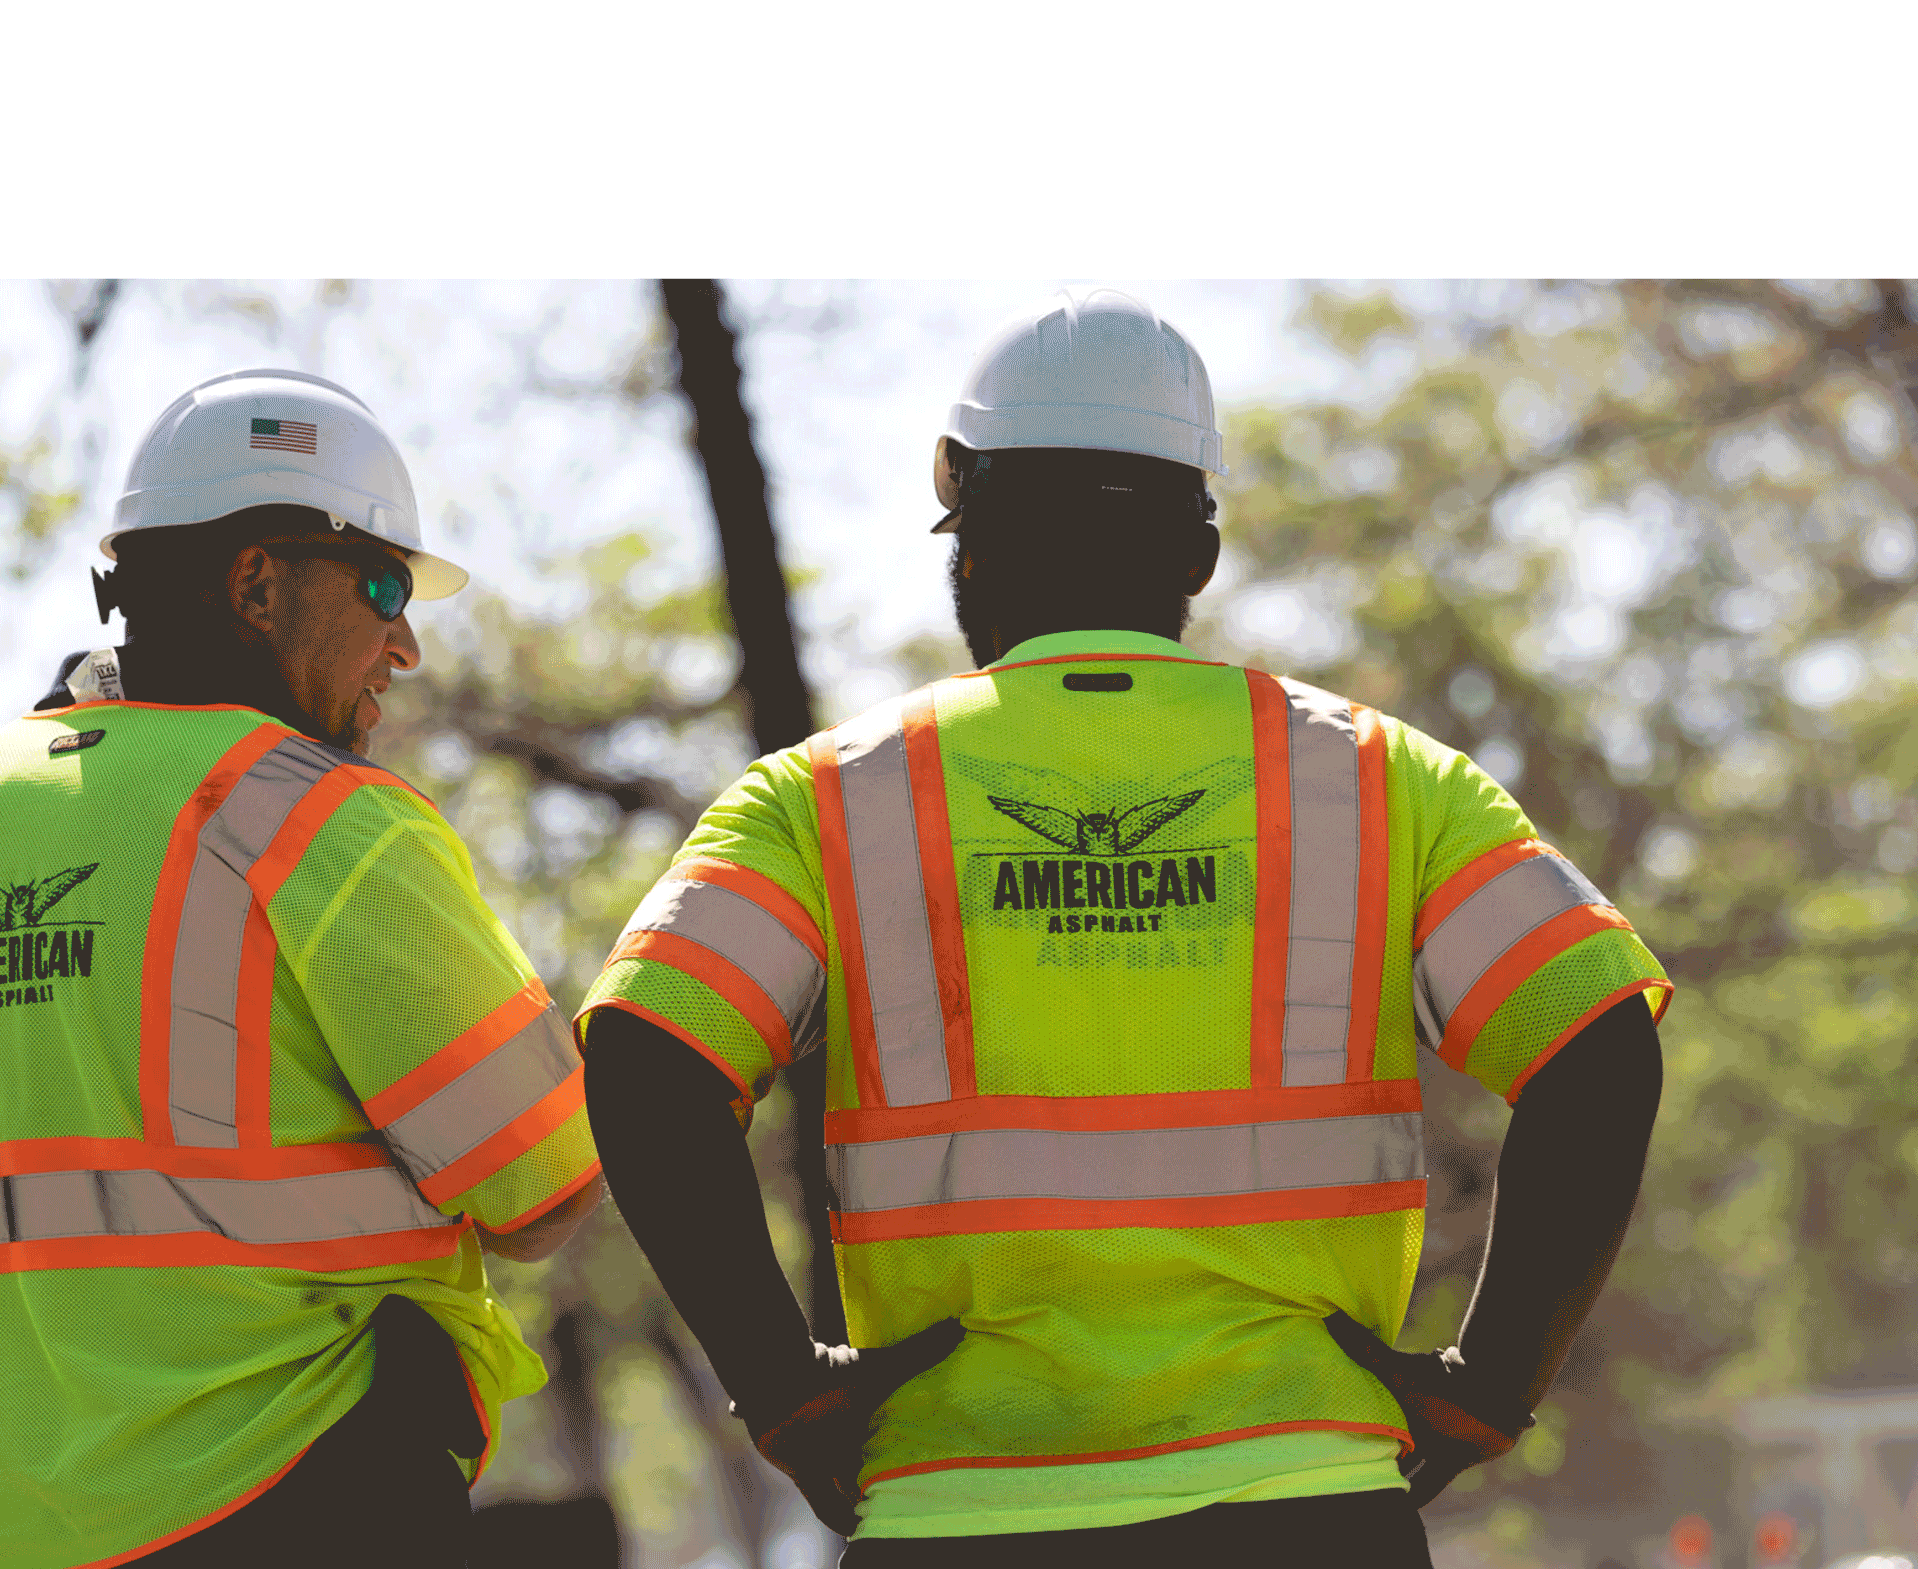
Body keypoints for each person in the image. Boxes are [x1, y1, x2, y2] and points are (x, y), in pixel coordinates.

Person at [573, 291, 1674, 1564]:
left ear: (965, 536)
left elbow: (650, 1058)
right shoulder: (1384, 781)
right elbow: (1595, 1044)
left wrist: (779, 1382)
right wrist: (1491, 1381)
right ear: (1196, 553)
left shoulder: (823, 798)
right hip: (1306, 1509)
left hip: (958, 1515)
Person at [0, 369, 604, 1568]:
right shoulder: (322, 822)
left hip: (15, 1536)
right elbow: (545, 1188)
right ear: (256, 584)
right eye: (385, 585)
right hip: (311, 1498)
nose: (403, 641)